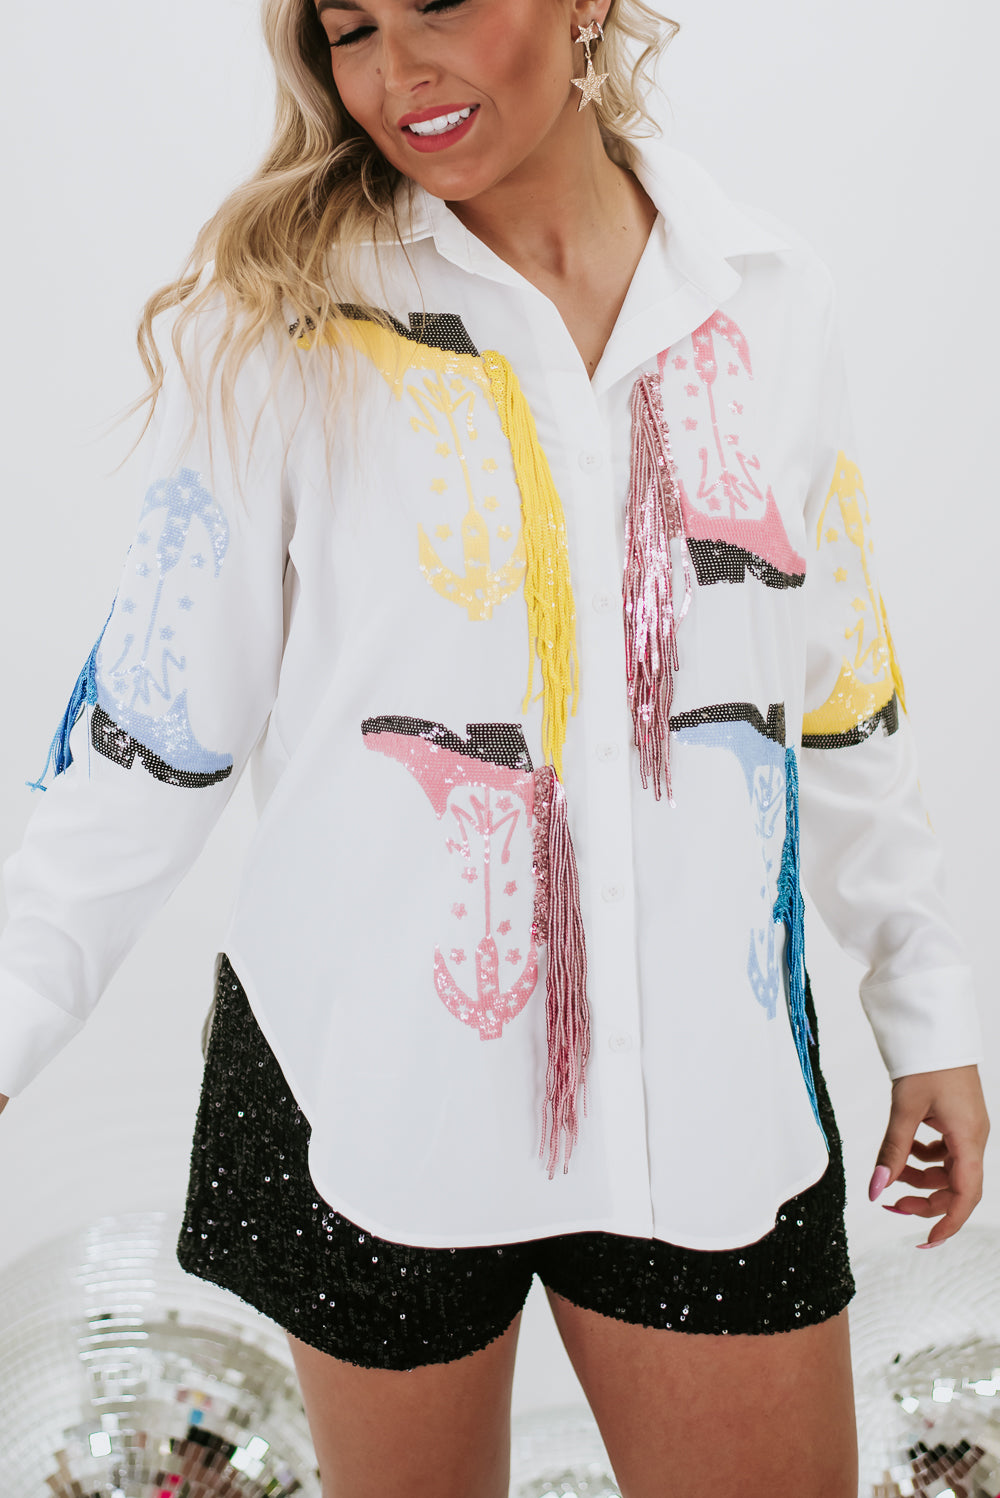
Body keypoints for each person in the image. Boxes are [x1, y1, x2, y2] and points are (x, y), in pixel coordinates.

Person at [0, 0, 989, 1494]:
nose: (396, 73)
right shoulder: (282, 320)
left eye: (442, 4)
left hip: (709, 1091)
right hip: (366, 1092)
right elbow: (150, 737)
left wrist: (924, 1001)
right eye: (350, 27)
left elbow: (837, 686)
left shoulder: (768, 296)